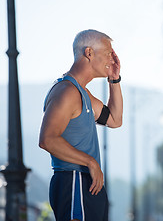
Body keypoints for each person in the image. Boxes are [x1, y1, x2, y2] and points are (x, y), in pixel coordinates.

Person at [39, 29, 123, 221]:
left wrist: (114, 80)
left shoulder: (82, 93)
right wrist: (90, 162)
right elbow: (47, 140)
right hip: (74, 181)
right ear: (89, 53)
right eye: (108, 53)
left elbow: (115, 120)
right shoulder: (67, 92)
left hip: (86, 184)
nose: (112, 59)